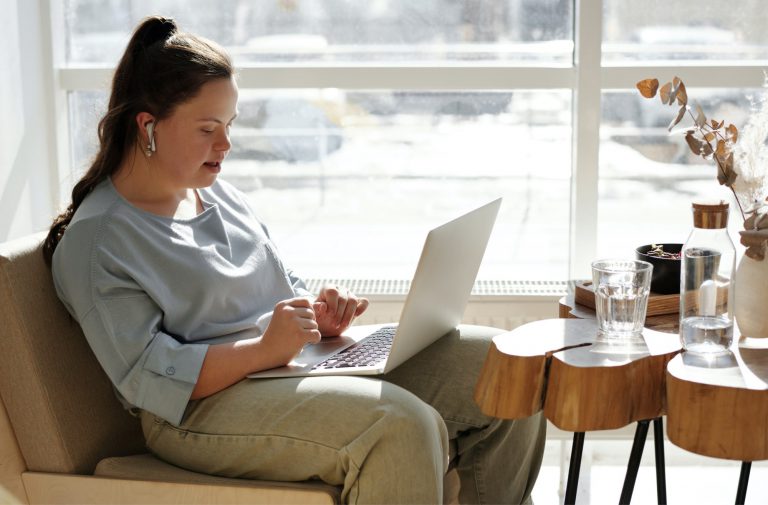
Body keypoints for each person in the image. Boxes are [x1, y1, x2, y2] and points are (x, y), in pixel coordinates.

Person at [44, 16, 545, 504]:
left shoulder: (219, 195)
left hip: (286, 369)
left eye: (230, 125)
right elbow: (150, 378)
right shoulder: (97, 241)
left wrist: (317, 313)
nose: (226, 144)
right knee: (399, 425)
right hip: (196, 413)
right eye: (207, 129)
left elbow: (282, 288)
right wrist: (264, 350)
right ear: (147, 126)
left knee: (506, 365)